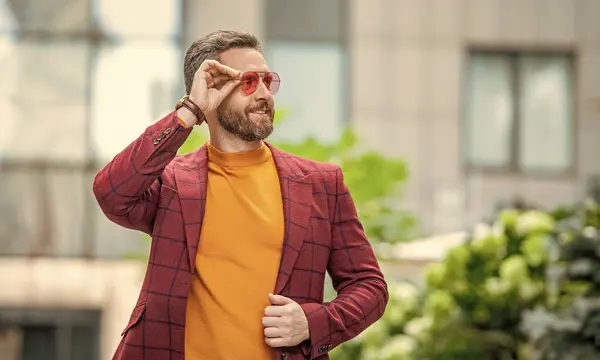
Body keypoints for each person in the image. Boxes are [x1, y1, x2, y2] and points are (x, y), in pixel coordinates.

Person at [93, 29, 388, 360]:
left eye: (267, 80)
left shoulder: (321, 185)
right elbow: (112, 191)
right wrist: (190, 111)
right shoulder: (172, 184)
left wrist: (313, 322)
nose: (264, 93)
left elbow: (370, 288)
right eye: (248, 82)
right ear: (211, 91)